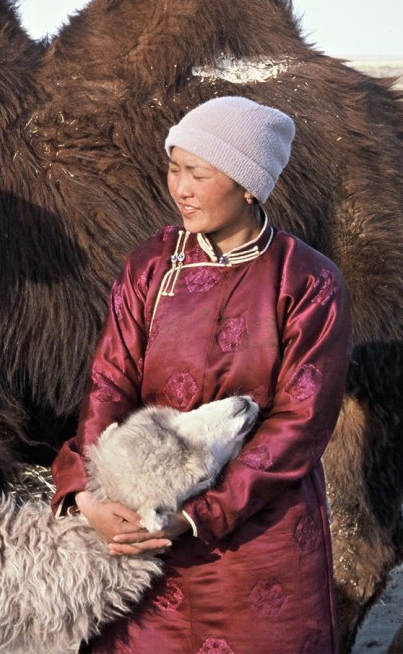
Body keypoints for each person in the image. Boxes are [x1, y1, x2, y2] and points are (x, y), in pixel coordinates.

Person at [50, 95, 351, 652]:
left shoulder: (307, 281)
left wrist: (197, 517)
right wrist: (90, 494)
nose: (180, 188)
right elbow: (109, 384)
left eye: (198, 173)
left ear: (249, 184)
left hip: (256, 537)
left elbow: (300, 424)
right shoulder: (153, 265)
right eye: (173, 169)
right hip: (141, 539)